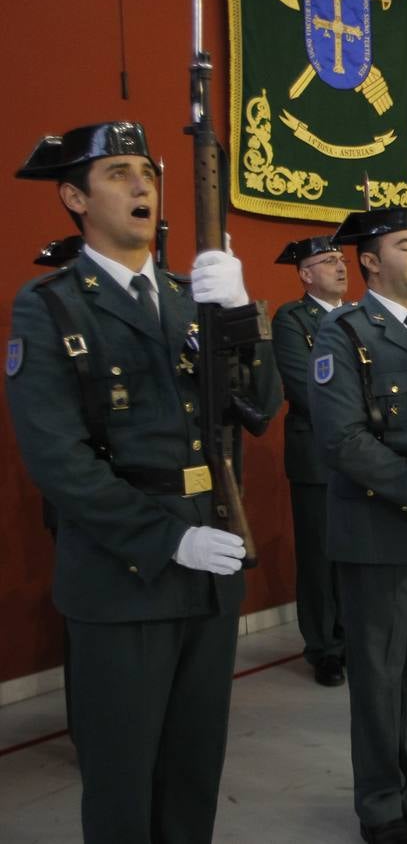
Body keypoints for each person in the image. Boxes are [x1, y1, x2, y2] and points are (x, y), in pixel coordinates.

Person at [6, 121, 280, 843]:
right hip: (123, 578)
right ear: (74, 196)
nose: (141, 187)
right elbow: (59, 461)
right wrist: (169, 539)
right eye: (119, 173)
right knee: (124, 779)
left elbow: (257, 408)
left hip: (211, 568)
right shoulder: (51, 306)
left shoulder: (193, 296)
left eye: (148, 174)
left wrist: (243, 316)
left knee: (193, 771)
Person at [307, 207, 407, 843]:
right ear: (370, 261)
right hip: (379, 528)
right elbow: (342, 439)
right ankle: (378, 804)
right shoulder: (343, 333)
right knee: (378, 674)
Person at [273, 236, 350, 687]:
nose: (340, 267)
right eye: (327, 261)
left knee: (353, 554)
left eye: (341, 259)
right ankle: (324, 647)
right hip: (317, 457)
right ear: (305, 274)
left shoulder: (359, 315)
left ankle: (353, 637)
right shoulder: (292, 319)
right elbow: (308, 390)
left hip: (361, 456)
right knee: (320, 558)